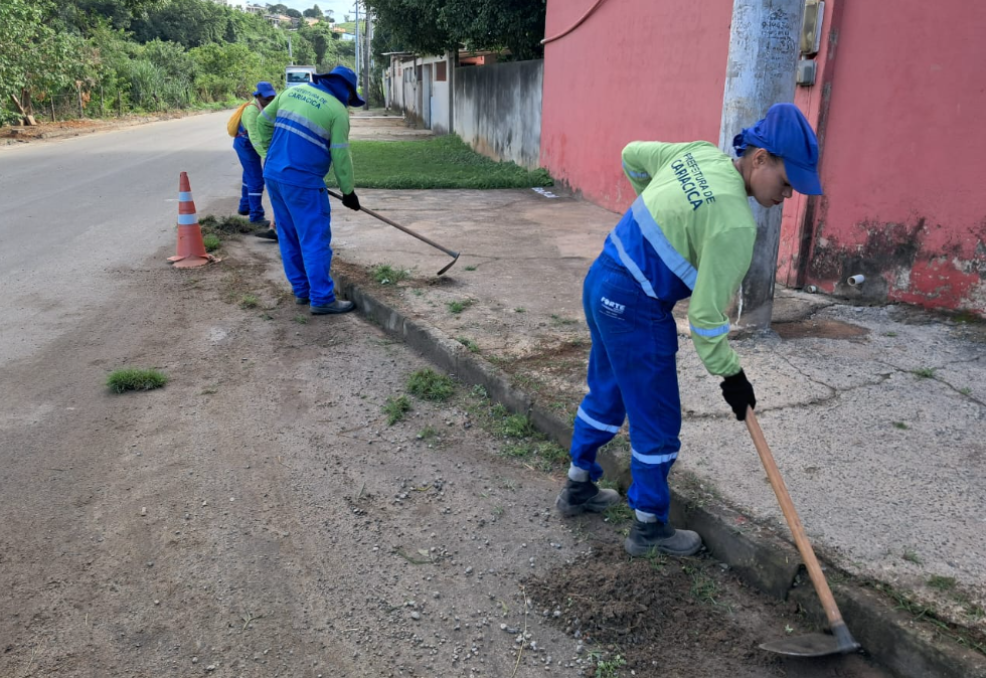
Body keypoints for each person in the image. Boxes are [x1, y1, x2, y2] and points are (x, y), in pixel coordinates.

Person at [555, 103, 822, 557]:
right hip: (636, 307)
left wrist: (658, 216)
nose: (789, 194)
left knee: (607, 391)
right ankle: (649, 528)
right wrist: (732, 377)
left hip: (601, 278)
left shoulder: (697, 155)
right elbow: (705, 321)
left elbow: (630, 155)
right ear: (759, 159)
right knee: (656, 419)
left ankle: (578, 487)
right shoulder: (735, 224)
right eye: (786, 180)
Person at [256, 66, 362, 315]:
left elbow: (262, 123)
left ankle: (302, 291)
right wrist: (348, 192)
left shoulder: (292, 92)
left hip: (273, 175)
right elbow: (340, 156)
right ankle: (322, 298)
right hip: (303, 182)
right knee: (314, 238)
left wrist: (270, 154)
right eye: (350, 96)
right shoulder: (337, 111)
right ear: (345, 90)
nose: (348, 101)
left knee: (288, 234)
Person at [234, 81, 277, 235]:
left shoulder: (267, 107)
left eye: (272, 98)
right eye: (266, 99)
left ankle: (245, 206)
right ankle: (256, 216)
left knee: (248, 175)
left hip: (251, 144)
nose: (269, 101)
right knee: (256, 180)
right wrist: (267, 156)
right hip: (245, 144)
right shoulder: (252, 111)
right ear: (258, 96)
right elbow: (255, 138)